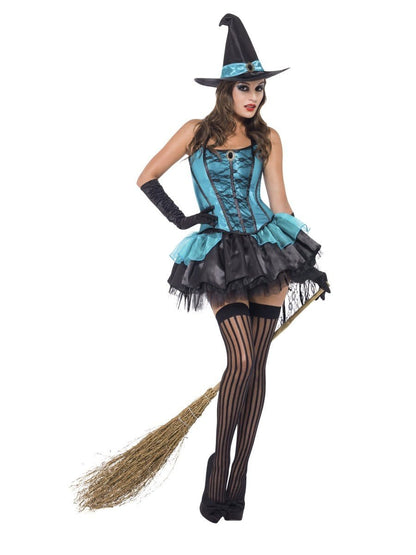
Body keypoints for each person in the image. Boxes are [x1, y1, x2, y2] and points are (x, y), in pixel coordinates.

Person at [136, 13, 330, 523]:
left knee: (258, 364)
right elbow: (147, 177)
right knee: (241, 359)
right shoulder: (195, 132)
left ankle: (239, 473)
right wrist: (186, 218)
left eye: (260, 88)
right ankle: (218, 464)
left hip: (267, 249)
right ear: (226, 90)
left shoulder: (268, 138)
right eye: (245, 87)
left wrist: (306, 260)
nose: (254, 97)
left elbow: (279, 203)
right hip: (220, 254)